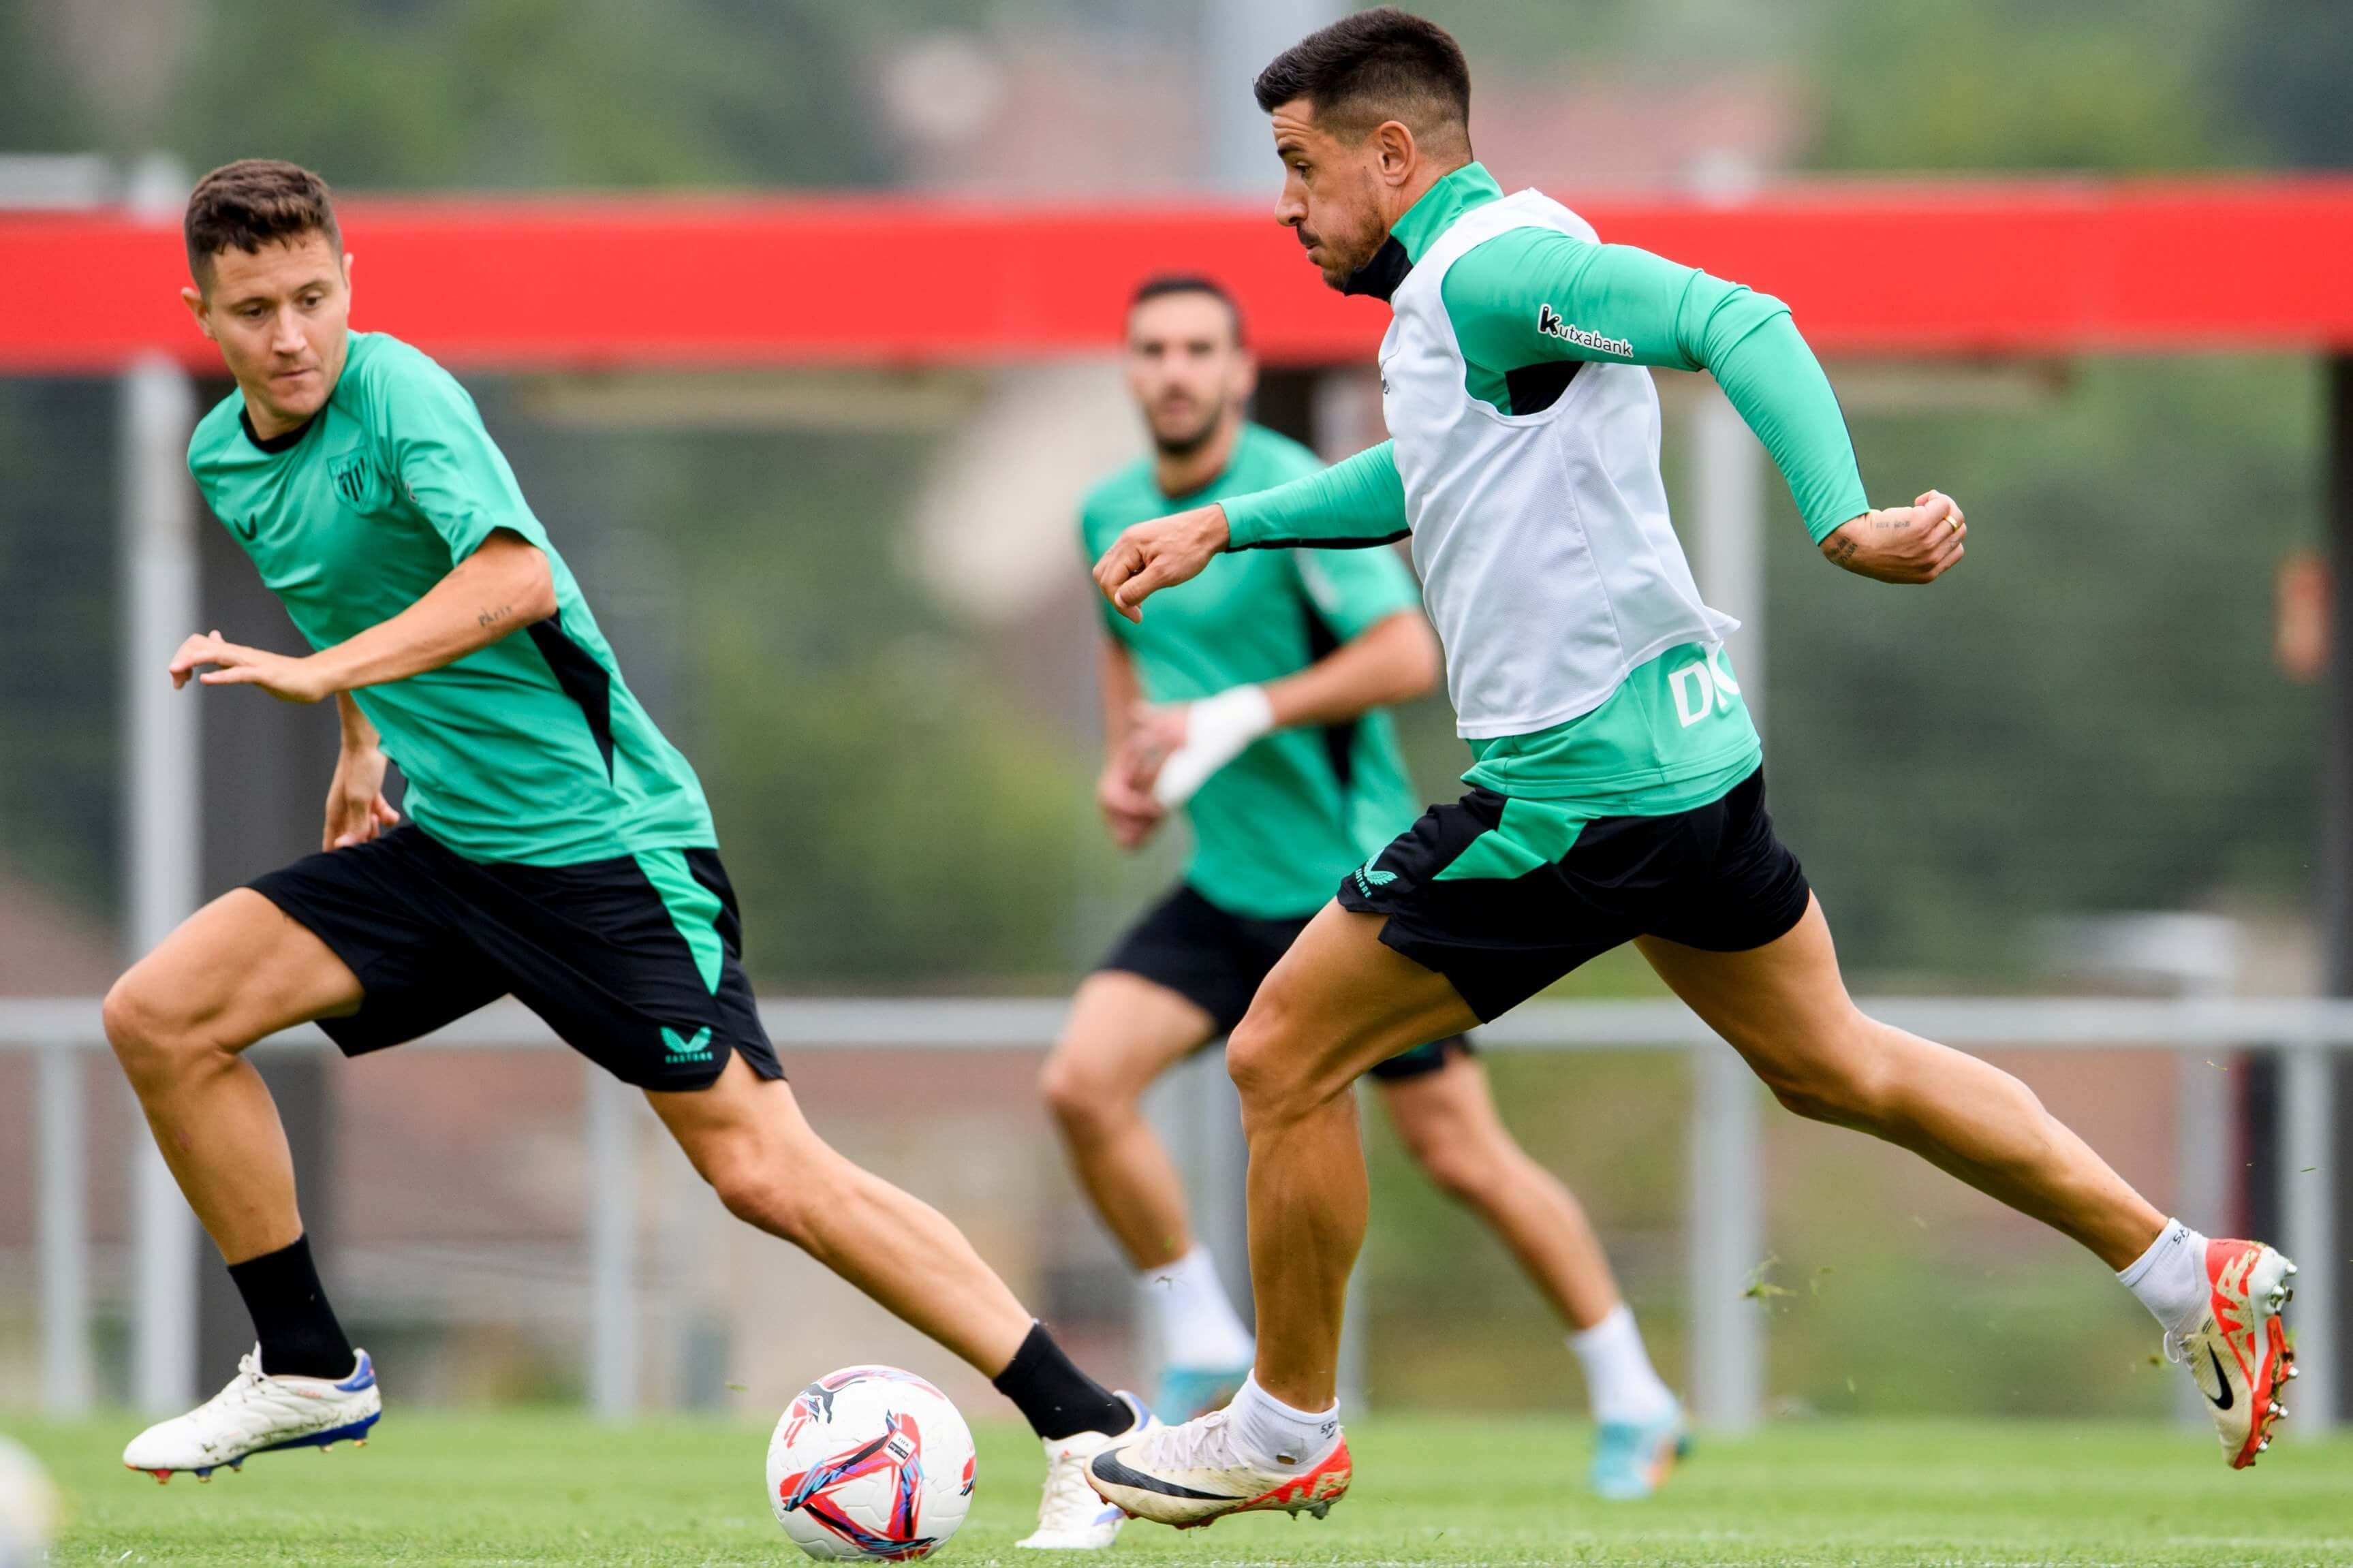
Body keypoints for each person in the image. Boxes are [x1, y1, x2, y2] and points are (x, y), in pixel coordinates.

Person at [1081, 9, 2296, 1529]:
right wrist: (1230, 523)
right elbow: (1437, 468)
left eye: (1298, 164)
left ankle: (1281, 1422)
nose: (1282, 203)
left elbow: (1743, 318)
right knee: (1831, 1061)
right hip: (1690, 766)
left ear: (1390, 156)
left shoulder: (1494, 268)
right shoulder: (1462, 291)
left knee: (1277, 1055)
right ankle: (2192, 1269)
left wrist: (1839, 516)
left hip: (1576, 795)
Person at [107, 159, 1144, 1549]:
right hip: (447, 842)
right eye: (254, 311)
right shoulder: (224, 455)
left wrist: (321, 677)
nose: (290, 336)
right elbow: (350, 580)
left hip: (602, 843)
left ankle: (1091, 1426)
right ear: (203, 312)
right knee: (161, 1014)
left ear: (348, 279)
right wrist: (360, 739)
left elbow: (511, 576)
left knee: (767, 1174)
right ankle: (305, 1363)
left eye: (311, 297)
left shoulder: (401, 392)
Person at [1048, 274, 1686, 1507]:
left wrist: (1234, 716)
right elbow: (1123, 641)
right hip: (1225, 885)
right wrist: (1130, 764)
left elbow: (1403, 654)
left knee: (1460, 1154)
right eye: (1152, 350)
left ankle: (1632, 1391)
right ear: (1128, 372)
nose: (1175, 370)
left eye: (1198, 350)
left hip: (1345, 887)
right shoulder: (1106, 509)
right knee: (1081, 1085)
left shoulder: (1278, 493)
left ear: (1238, 372)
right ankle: (1201, 1345)